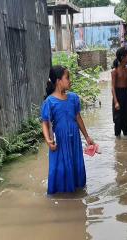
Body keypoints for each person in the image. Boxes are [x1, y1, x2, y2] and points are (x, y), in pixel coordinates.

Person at [41, 65, 94, 195]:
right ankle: (60, 194)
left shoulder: (74, 98)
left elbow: (78, 118)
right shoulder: (50, 102)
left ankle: (77, 191)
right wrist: (48, 140)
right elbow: (45, 123)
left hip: (74, 138)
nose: (70, 81)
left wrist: (87, 137)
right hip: (60, 139)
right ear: (59, 81)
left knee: (75, 163)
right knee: (60, 167)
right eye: (67, 78)